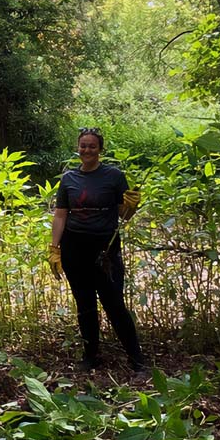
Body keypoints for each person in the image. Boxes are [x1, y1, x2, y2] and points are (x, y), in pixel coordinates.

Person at [48, 127, 146, 373]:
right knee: (85, 303)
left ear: (100, 149)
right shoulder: (69, 179)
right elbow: (60, 215)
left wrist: (132, 205)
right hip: (74, 247)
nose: (87, 150)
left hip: (105, 248)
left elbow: (124, 215)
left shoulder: (113, 176)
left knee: (114, 303)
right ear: (77, 148)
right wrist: (54, 248)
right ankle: (91, 355)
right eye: (83, 146)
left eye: (92, 146)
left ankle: (137, 359)